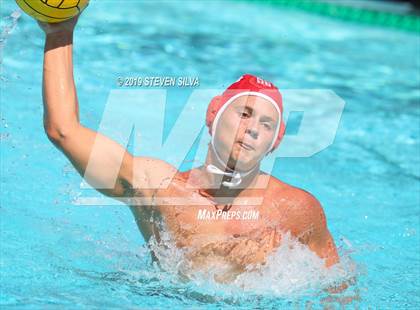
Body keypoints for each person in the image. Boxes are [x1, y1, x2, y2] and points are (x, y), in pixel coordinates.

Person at [38, 14, 339, 282]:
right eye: (244, 114)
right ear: (213, 114)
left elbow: (338, 287)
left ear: (276, 141)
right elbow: (63, 130)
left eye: (267, 124)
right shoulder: (160, 190)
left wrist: (267, 275)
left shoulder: (295, 209)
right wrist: (59, 32)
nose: (253, 129)